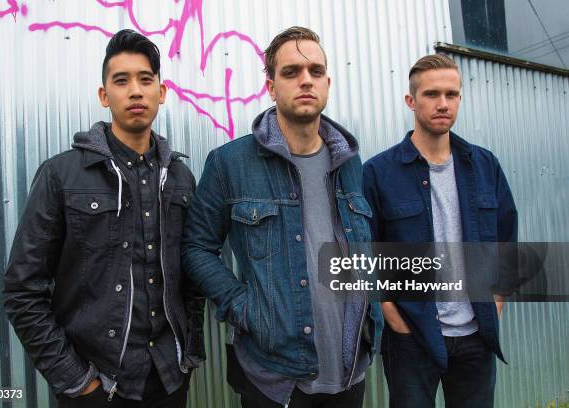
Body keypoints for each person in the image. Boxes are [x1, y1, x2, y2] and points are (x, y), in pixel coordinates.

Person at [3, 29, 205, 408]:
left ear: (161, 93)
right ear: (103, 95)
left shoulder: (180, 178)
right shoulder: (61, 175)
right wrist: (76, 380)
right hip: (97, 383)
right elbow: (22, 289)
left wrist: (188, 354)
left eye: (146, 79)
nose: (135, 91)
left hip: (169, 380)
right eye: (121, 80)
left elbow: (191, 280)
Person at [182, 26, 380, 408]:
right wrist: (243, 307)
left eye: (315, 71)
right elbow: (196, 247)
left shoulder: (351, 162)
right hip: (274, 379)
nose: (305, 80)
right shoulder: (229, 164)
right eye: (290, 72)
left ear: (327, 82)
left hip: (349, 370)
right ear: (271, 86)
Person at [362, 54, 518, 408]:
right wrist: (390, 313)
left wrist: (496, 301)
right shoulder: (379, 172)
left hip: (477, 334)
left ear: (460, 98)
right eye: (432, 94)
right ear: (411, 101)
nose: (443, 103)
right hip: (412, 336)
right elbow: (366, 252)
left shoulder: (484, 165)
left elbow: (507, 238)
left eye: (452, 94)